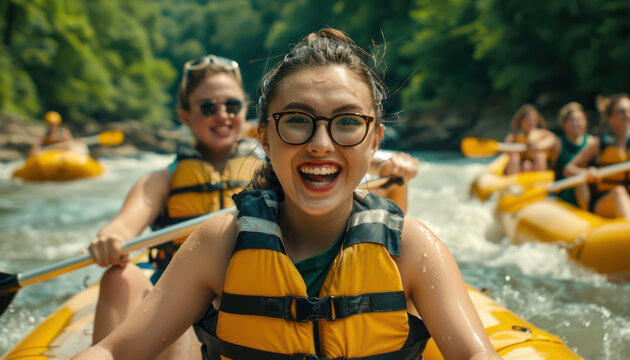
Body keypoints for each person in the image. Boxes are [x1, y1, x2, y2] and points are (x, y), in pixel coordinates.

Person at [76, 28, 499, 360]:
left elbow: (475, 353)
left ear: (375, 139)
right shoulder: (216, 244)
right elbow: (115, 353)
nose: (321, 143)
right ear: (264, 136)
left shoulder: (412, 246)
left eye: (348, 122)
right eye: (297, 120)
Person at [88, 54, 264, 359]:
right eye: (208, 107)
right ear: (185, 115)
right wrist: (111, 237)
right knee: (120, 277)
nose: (222, 115)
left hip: (254, 290)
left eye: (232, 106)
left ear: (245, 110)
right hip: (180, 297)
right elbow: (124, 225)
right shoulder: (161, 180)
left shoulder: (273, 172)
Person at [564, 93, 630, 219]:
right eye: (622, 111)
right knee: (619, 192)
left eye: (629, 110)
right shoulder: (599, 144)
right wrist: (586, 172)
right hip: (603, 202)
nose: (627, 115)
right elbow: (568, 169)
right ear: (609, 117)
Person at [554, 102, 596, 209]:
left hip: (591, 196)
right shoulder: (557, 143)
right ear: (564, 124)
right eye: (572, 120)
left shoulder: (593, 142)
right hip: (565, 197)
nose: (576, 123)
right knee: (579, 176)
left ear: (585, 122)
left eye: (579, 120)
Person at [504, 104, 558, 175]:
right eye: (528, 120)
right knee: (518, 159)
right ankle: (513, 183)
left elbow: (552, 141)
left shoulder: (543, 134)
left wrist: (536, 145)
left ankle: (539, 182)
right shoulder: (513, 137)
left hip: (538, 165)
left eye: (533, 120)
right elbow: (506, 148)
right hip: (521, 167)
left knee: (540, 156)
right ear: (521, 121)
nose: (531, 123)